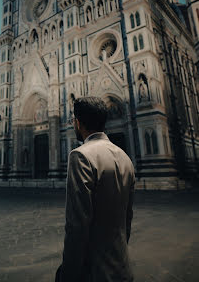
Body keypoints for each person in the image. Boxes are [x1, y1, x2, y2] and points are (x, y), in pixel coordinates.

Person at [56, 97, 135, 282]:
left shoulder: (81, 156)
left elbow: (77, 224)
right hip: (121, 265)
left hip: (94, 271)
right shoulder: (124, 157)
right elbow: (128, 218)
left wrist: (68, 274)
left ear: (78, 122)